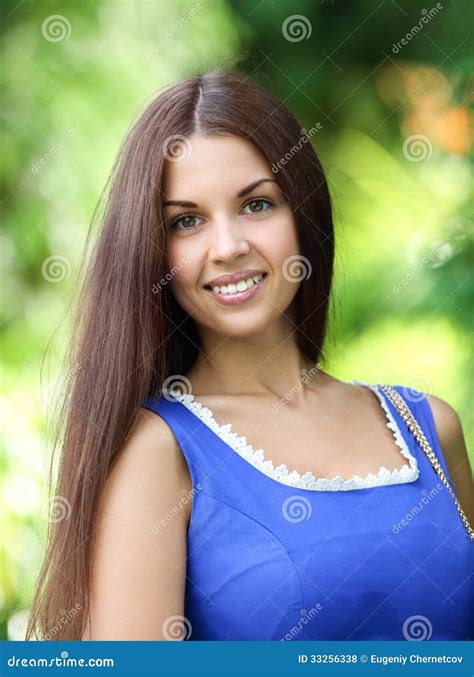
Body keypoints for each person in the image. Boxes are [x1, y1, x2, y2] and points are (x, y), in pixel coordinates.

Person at [27, 69, 473, 642]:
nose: (229, 247)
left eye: (257, 205)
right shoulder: (158, 453)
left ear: (304, 213)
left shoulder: (430, 429)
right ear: (153, 252)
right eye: (186, 221)